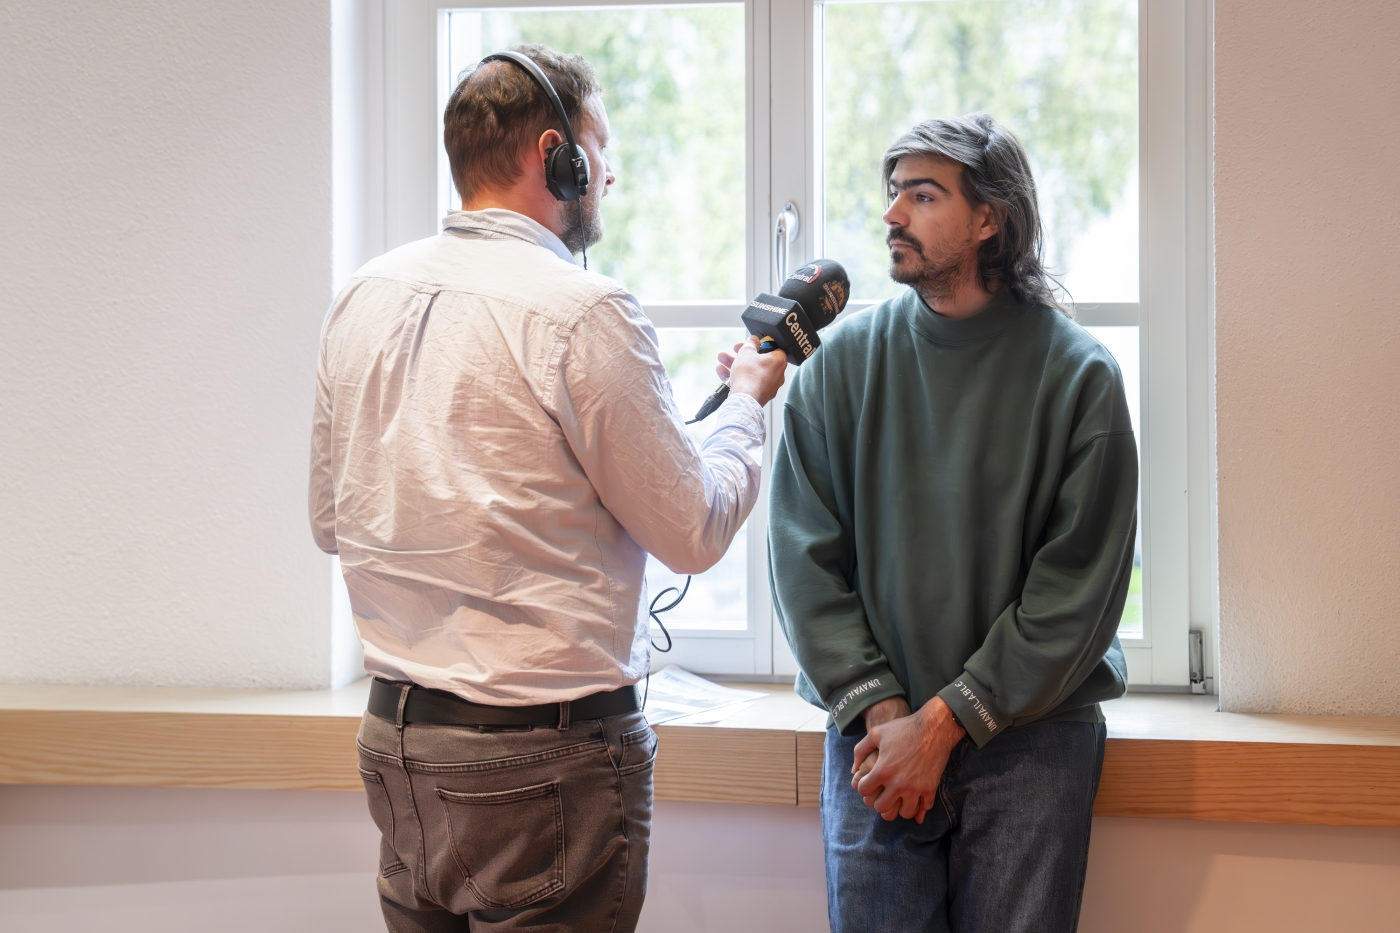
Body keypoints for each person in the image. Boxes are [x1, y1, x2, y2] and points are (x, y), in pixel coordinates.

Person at [308, 45, 786, 932]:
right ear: (555, 154)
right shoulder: (583, 310)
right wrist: (747, 406)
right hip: (541, 762)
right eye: (601, 149)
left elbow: (331, 519)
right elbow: (692, 532)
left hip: (398, 746)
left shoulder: (361, 297)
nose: (610, 174)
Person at [768, 112, 1137, 933]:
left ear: (989, 219)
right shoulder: (839, 371)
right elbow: (802, 561)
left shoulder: (1081, 378)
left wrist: (943, 724)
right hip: (875, 733)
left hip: (1030, 741)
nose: (892, 213)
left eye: (923, 195)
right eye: (894, 192)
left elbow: (1075, 591)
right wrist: (887, 717)